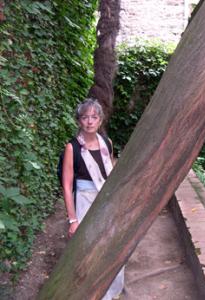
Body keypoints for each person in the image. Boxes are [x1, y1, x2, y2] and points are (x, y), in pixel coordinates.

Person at [61, 98, 124, 300]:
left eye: (94, 117)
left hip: (106, 202)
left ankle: (110, 291)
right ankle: (89, 292)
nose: (89, 121)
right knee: (87, 249)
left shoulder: (107, 143)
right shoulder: (72, 148)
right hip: (85, 201)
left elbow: (111, 176)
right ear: (79, 121)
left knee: (110, 244)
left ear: (100, 120)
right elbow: (67, 185)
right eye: (85, 117)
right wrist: (72, 219)